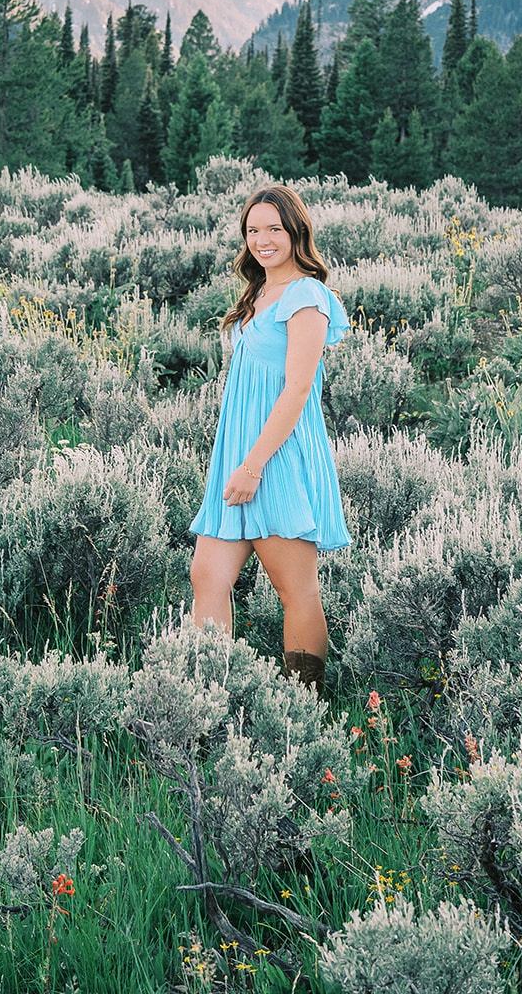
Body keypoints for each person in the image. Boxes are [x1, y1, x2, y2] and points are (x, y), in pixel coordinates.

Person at [189, 185, 350, 694]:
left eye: (274, 229)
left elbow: (299, 388)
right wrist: (239, 461)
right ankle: (206, 702)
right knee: (207, 576)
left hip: (275, 458)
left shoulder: (307, 294)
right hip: (237, 455)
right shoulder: (257, 294)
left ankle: (303, 710)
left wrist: (255, 463)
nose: (263, 239)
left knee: (294, 589)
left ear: (296, 231)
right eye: (253, 230)